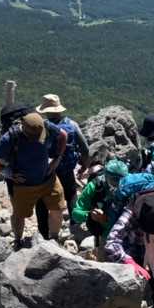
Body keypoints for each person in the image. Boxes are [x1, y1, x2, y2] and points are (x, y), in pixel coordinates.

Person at [0, 112, 68, 249]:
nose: (37, 139)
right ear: (23, 129)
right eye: (34, 137)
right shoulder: (11, 137)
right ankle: (18, 241)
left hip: (48, 179)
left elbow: (63, 135)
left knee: (57, 208)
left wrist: (57, 159)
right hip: (23, 185)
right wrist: (9, 173)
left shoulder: (46, 126)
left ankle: (54, 239)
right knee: (19, 215)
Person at [37, 94, 90, 226]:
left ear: (46, 111)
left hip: (47, 169)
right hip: (67, 167)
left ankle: (45, 228)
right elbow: (85, 148)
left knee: (44, 197)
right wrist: (84, 165)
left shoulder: (42, 126)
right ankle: (75, 223)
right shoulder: (72, 124)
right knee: (71, 193)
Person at [71, 159, 129, 248]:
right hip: (105, 234)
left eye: (122, 180)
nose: (118, 184)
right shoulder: (94, 187)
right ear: (105, 176)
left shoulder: (132, 187)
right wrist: (90, 215)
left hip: (127, 233)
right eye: (114, 180)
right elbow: (76, 213)